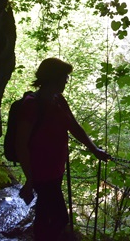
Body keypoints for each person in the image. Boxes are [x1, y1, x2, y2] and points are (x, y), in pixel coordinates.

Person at [15, 57, 109, 240]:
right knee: (60, 218)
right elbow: (21, 144)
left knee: (44, 211)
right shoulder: (31, 105)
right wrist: (30, 178)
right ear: (54, 78)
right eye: (65, 76)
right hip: (41, 172)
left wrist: (94, 149)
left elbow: (74, 126)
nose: (66, 80)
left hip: (55, 170)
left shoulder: (58, 100)